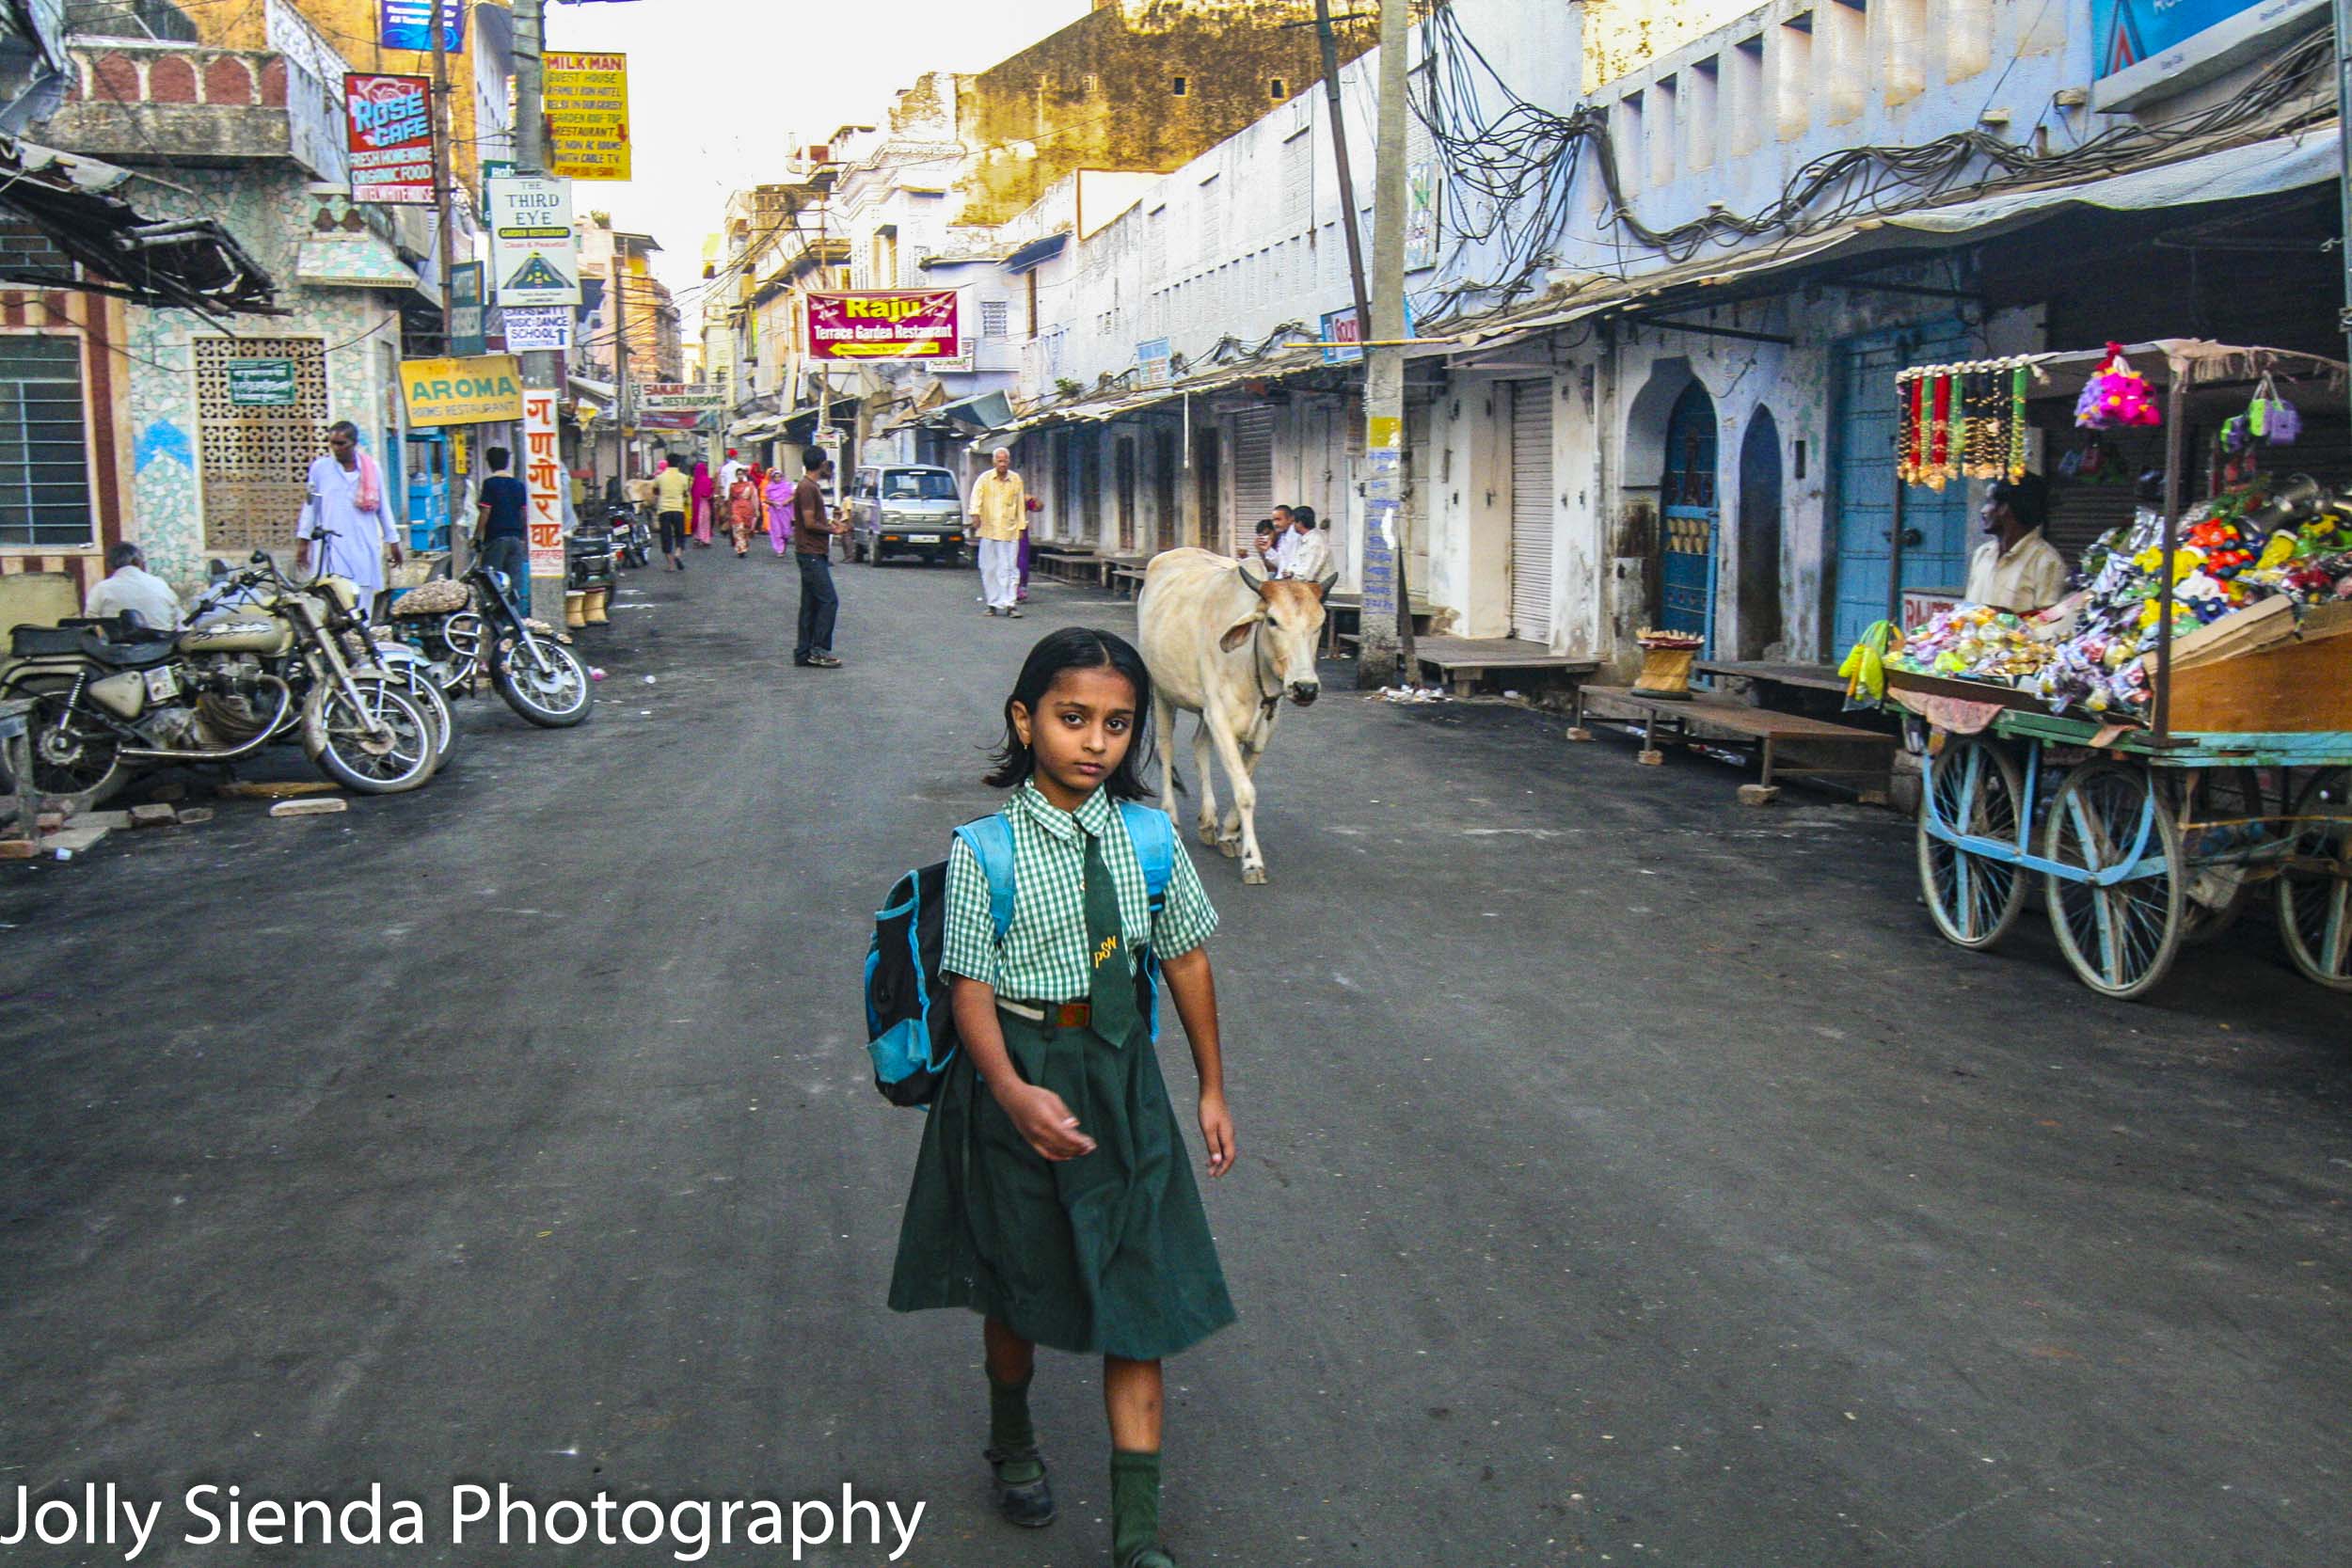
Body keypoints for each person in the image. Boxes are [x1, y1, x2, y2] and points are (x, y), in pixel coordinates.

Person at [890, 626, 1235, 1568]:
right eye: (1072, 717)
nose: (1096, 741)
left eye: (1117, 723)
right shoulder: (984, 851)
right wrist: (1008, 1090)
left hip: (1121, 1077)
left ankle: (1137, 1537)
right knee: (1021, 1285)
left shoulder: (1152, 838)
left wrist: (1209, 1086)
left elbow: (1186, 957)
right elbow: (967, 987)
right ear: (1024, 717)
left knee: (1139, 1292)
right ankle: (1011, 1437)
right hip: (1018, 1074)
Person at [295, 420, 402, 617]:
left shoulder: (371, 469)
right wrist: (303, 543)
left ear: (353, 443)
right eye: (332, 443)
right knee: (332, 600)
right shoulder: (320, 469)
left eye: (341, 444)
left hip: (362, 545)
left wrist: (393, 542)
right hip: (330, 548)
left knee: (363, 602)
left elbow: (383, 508)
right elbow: (310, 507)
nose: (336, 449)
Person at [1965, 472, 2067, 613]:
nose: (1983, 511)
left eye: (1989, 502)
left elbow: (2048, 623)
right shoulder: (1982, 554)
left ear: (2004, 508)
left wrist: (2004, 619)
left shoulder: (2046, 561)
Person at [792, 448, 847, 668]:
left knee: (810, 604)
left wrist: (830, 524)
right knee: (828, 600)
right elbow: (809, 523)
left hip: (811, 551)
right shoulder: (807, 488)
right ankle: (819, 650)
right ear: (821, 464)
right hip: (811, 552)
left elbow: (813, 520)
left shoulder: (809, 486)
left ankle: (803, 652)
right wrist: (833, 530)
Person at [472, 445, 532, 615]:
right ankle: (517, 621)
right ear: (507, 463)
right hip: (515, 539)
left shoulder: (490, 484)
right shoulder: (518, 485)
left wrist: (476, 536)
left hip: (496, 539)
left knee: (492, 583)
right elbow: (524, 513)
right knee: (515, 585)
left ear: (489, 463)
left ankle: (494, 622)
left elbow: (486, 511)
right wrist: (524, 537)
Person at [971, 446, 1028, 618]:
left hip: (1009, 531)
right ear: (994, 461)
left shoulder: (1016, 479)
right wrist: (975, 514)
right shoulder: (985, 479)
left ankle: (1010, 604)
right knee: (989, 568)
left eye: (1005, 461)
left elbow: (1020, 505)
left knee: (1010, 568)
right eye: (999, 461)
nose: (1002, 464)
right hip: (988, 530)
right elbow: (976, 498)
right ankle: (992, 603)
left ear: (1009, 462)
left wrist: (1021, 527)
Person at [83, 542, 181, 630]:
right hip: (162, 645)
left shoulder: (102, 589)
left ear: (110, 564)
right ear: (138, 561)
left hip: (119, 647)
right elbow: (178, 618)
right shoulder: (160, 584)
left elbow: (91, 621)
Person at [653, 451, 692, 572]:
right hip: (678, 509)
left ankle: (670, 565)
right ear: (679, 464)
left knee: (666, 537)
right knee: (680, 534)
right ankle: (678, 553)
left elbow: (655, 490)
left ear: (667, 463)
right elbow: (685, 492)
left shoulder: (660, 477)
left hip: (664, 510)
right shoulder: (684, 478)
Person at [1280, 504, 1330, 583]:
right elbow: (1296, 563)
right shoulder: (1305, 539)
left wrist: (1292, 574)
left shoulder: (1316, 541)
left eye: (1293, 522)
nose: (1292, 525)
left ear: (1300, 523)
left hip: (1314, 588)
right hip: (1301, 584)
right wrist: (1289, 572)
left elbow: (1308, 574)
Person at [726, 464, 760, 557]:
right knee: (738, 527)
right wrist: (729, 511)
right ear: (736, 476)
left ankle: (744, 544)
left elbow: (754, 498)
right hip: (736, 507)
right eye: (738, 474)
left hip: (747, 508)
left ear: (744, 475)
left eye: (741, 474)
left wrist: (756, 509)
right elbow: (730, 499)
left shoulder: (750, 485)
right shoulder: (733, 486)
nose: (740, 476)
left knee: (745, 529)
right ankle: (740, 549)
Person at [763, 462, 794, 557]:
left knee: (785, 531)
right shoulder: (769, 487)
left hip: (785, 511)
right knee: (777, 530)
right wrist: (773, 503)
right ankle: (779, 550)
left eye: (779, 477)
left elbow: (793, 496)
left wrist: (786, 501)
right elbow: (766, 500)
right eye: (775, 477)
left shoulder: (787, 486)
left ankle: (784, 546)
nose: (777, 479)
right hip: (774, 512)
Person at [690, 458, 716, 548]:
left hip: (697, 504)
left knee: (698, 521)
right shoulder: (708, 480)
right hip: (706, 503)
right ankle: (706, 539)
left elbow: (692, 492)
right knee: (706, 521)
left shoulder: (695, 481)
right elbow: (711, 491)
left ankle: (698, 537)